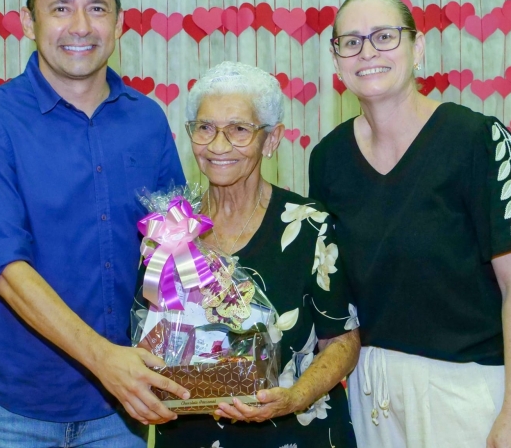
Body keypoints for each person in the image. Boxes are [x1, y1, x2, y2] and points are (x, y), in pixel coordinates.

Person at [0, 0, 189, 446]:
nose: (80, 26)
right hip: (17, 409)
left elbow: (176, 251)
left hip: (122, 406)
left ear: (119, 23)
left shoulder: (147, 121)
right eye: (61, 8)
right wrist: (106, 361)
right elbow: (5, 268)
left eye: (97, 8)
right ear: (28, 21)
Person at [309, 0, 511, 448]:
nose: (367, 52)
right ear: (336, 61)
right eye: (351, 42)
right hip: (372, 389)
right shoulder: (328, 159)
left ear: (417, 49)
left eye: (384, 36)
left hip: (470, 387)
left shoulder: (478, 140)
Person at [151, 61, 360, 448]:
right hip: (191, 434)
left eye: (239, 130)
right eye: (205, 128)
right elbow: (146, 334)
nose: (218, 146)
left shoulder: (309, 226)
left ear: (272, 139)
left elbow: (343, 342)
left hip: (293, 431)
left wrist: (294, 397)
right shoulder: (170, 228)